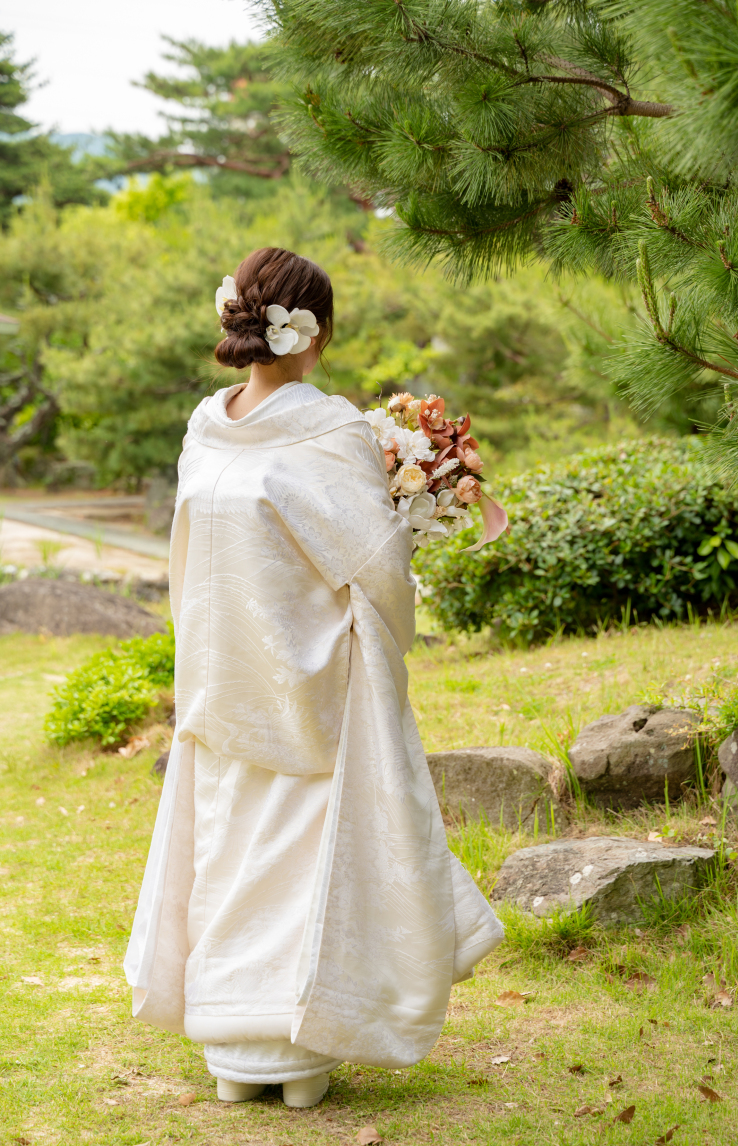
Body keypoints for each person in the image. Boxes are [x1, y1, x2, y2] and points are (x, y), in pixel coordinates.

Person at [124, 246, 503, 1109]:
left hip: (225, 672)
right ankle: (300, 1053)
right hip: (315, 678)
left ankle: (235, 1054)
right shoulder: (328, 429)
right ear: (316, 330)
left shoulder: (204, 426)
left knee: (231, 849)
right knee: (307, 856)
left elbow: (190, 557)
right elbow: (372, 563)